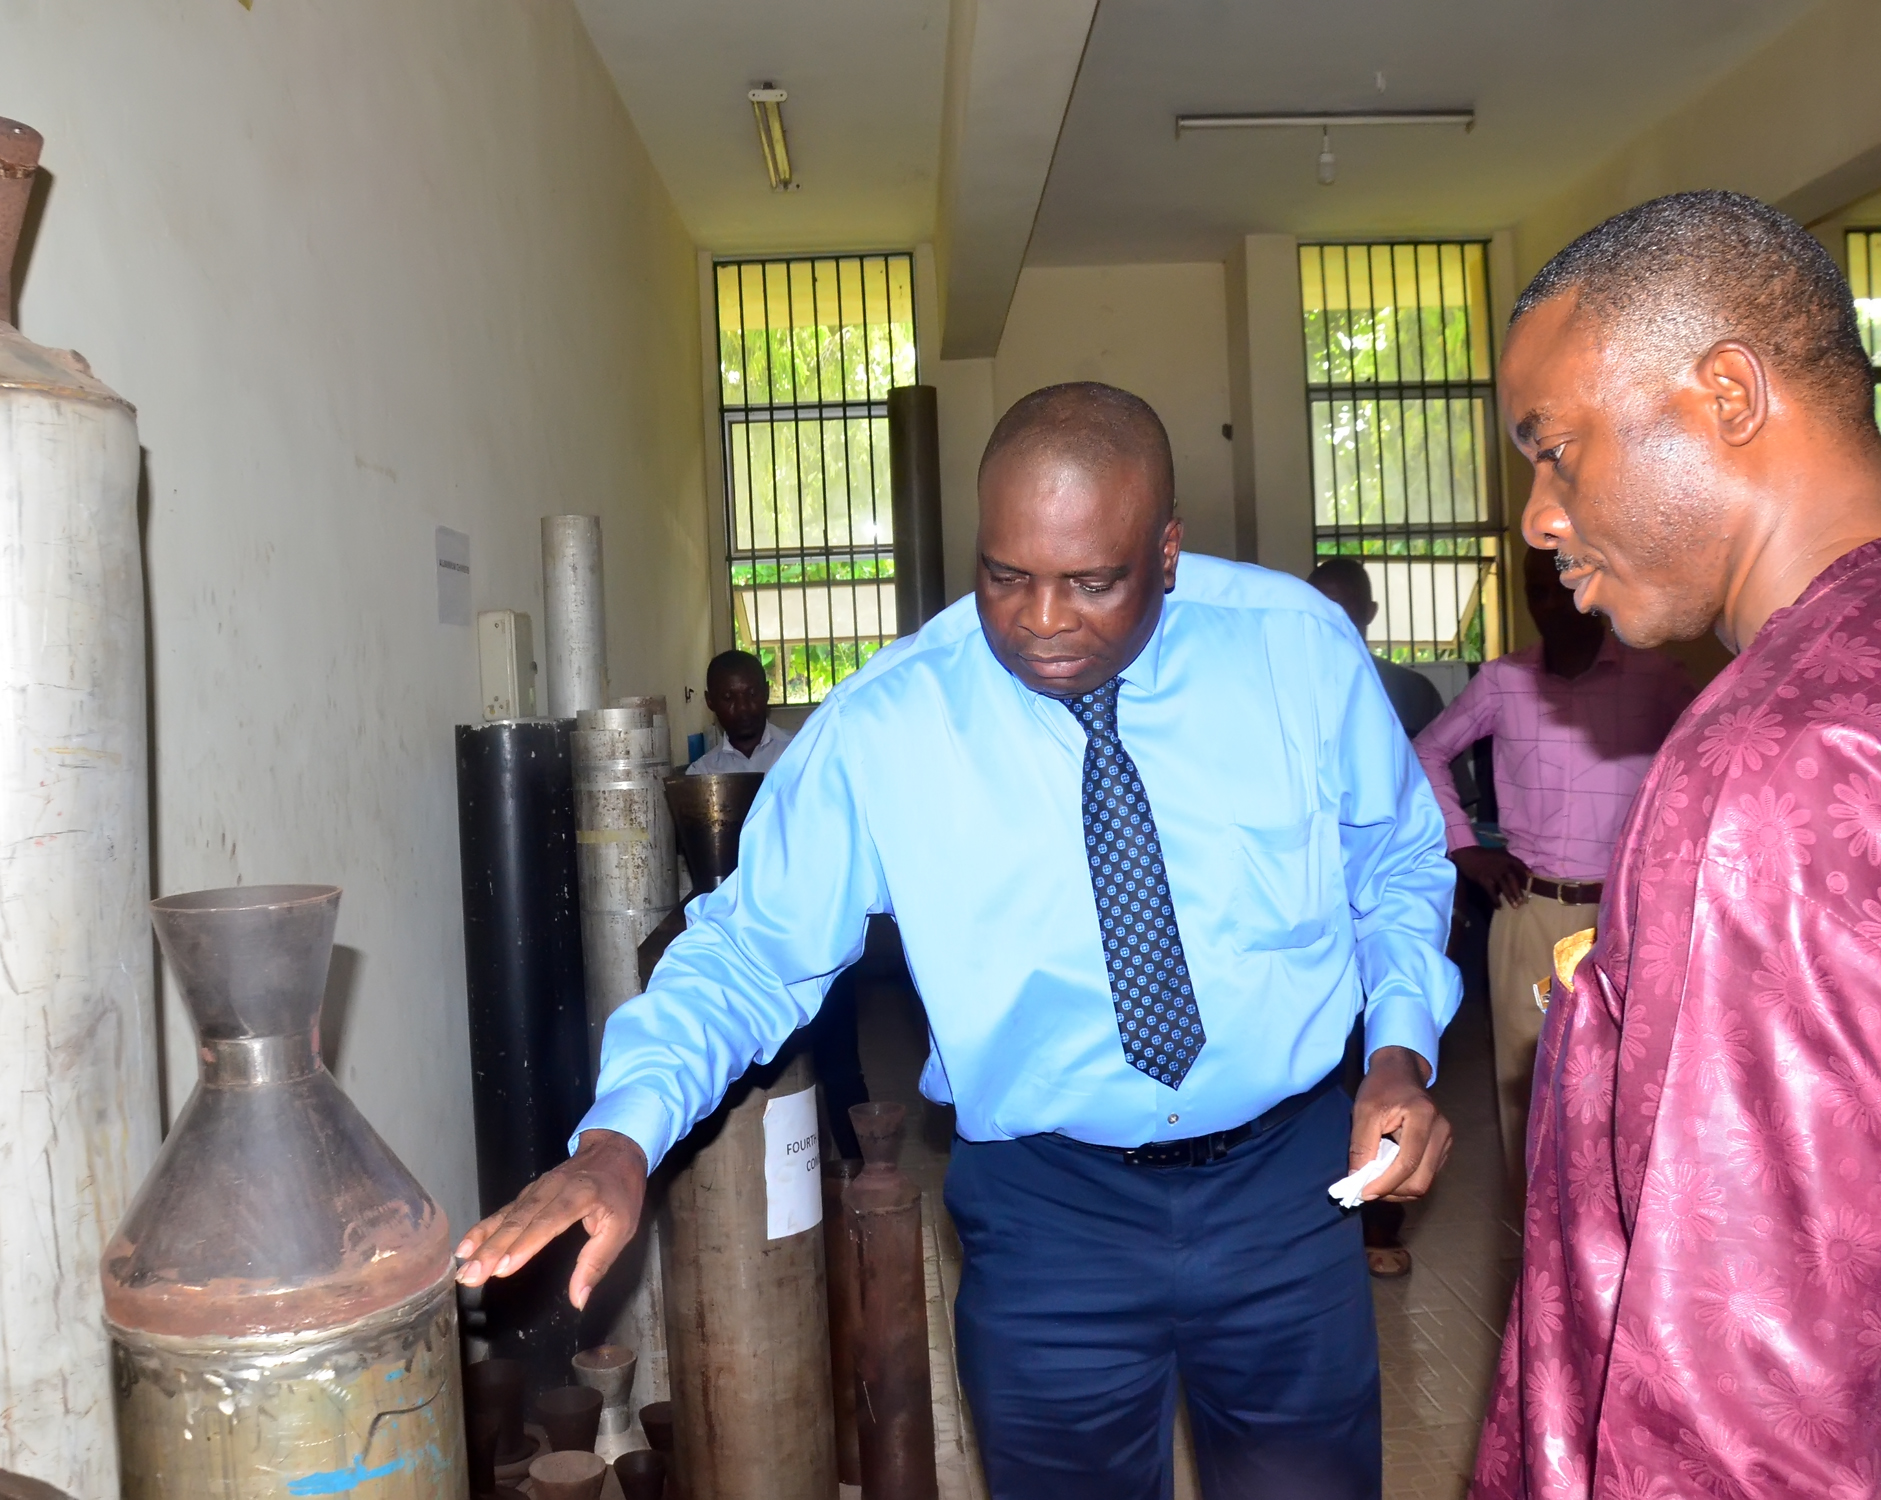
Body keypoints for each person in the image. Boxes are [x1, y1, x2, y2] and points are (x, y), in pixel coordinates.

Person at [460, 383, 1461, 1497]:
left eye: (1094, 581)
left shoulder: (1296, 655)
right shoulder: (890, 722)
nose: (1042, 620)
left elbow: (1397, 861)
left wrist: (1397, 1054)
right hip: (1050, 1216)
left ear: (1166, 551)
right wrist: (620, 1139)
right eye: (1005, 575)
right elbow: (750, 951)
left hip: (1291, 1188)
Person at [1472, 192, 1881, 1497]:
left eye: (1555, 448)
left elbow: (1753, 1407)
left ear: (1727, 393)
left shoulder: (1775, 766)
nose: (1540, 518)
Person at [1411, 547, 1691, 1187]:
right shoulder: (1503, 681)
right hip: (1529, 913)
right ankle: (1535, 1237)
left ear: (1592, 583)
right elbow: (1426, 753)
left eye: (1561, 585)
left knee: (1626, 1079)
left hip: (1626, 916)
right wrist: (1464, 846)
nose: (1550, 603)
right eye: (1536, 590)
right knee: (1528, 1082)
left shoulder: (1657, 678)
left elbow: (1705, 761)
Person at [1308, 556, 1445, 1282]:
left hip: (1383, 911)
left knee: (1391, 1069)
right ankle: (1334, 1220)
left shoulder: (1408, 692)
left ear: (1369, 614)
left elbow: (1421, 799)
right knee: (1328, 1085)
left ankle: (1382, 1219)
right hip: (1319, 930)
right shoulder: (1284, 690)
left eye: (1345, 609)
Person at [1308, 557, 1445, 739]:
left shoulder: (1414, 693)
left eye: (1340, 605)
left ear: (1370, 612)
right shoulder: (1283, 689)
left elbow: (1440, 764)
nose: (1327, 616)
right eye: (1316, 606)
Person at [685, 648, 791, 774]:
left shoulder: (800, 751)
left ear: (766, 692)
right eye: (728, 698)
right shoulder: (703, 773)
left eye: (752, 694)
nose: (742, 707)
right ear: (710, 701)